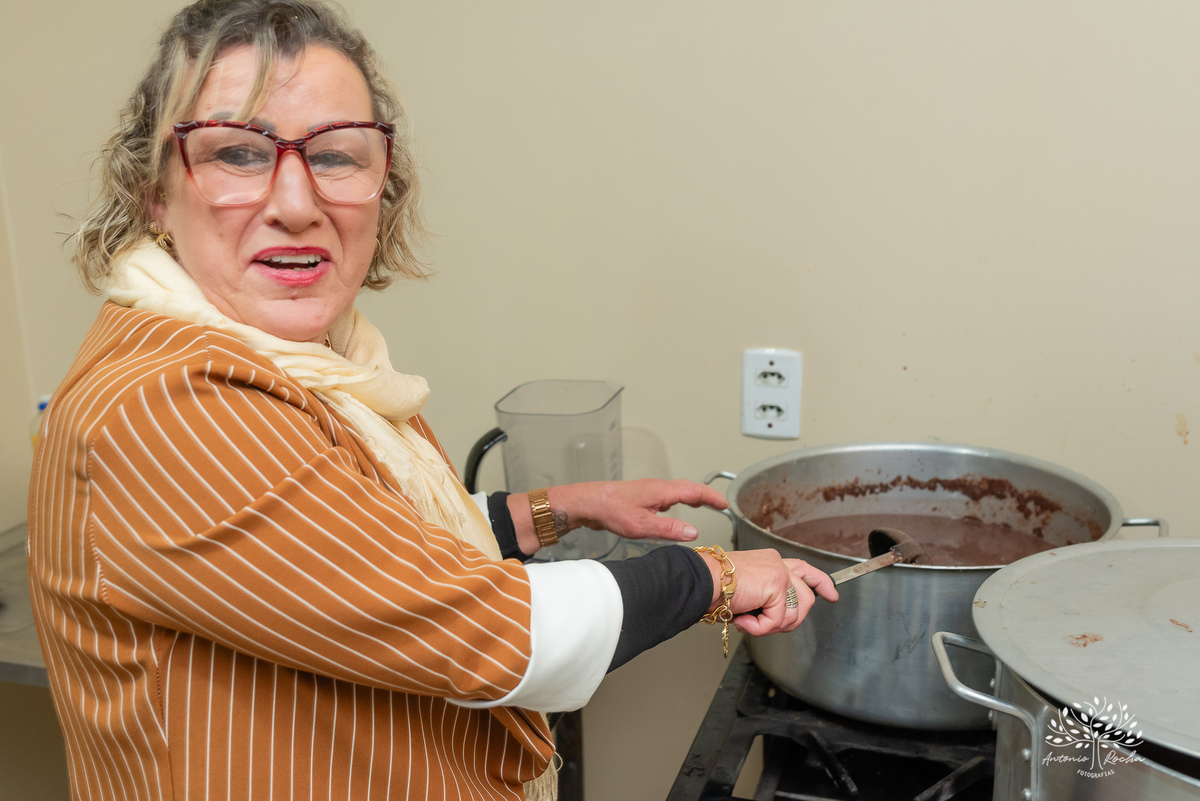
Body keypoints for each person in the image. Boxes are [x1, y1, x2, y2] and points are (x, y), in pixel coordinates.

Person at [28, 1, 838, 799]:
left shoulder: (311, 361)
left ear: (385, 186)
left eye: (337, 156)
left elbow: (359, 546)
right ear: (154, 193)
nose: (298, 202)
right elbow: (490, 632)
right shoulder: (168, 404)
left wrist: (559, 507)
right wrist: (711, 577)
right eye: (238, 153)